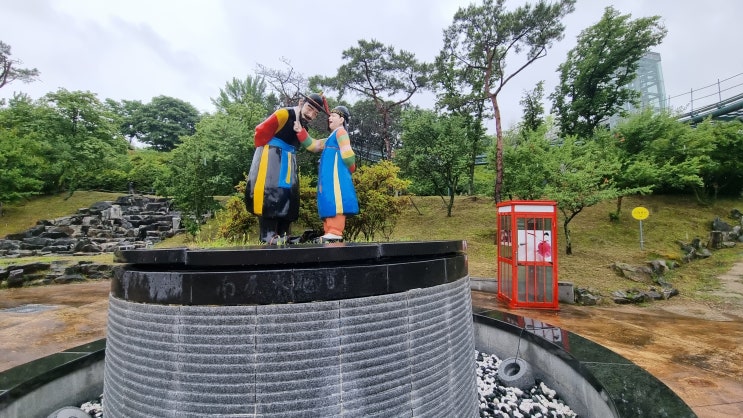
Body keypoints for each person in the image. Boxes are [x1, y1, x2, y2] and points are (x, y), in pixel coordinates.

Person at [245, 93, 330, 244]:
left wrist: (335, 139)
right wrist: (267, 150)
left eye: (315, 113)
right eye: (309, 109)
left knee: (289, 195)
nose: (311, 115)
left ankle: (284, 233)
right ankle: (268, 234)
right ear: (301, 102)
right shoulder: (284, 114)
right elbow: (260, 131)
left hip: (289, 160)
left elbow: (312, 145)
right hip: (271, 157)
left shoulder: (303, 127)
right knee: (269, 193)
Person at [316, 105, 358, 242]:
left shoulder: (341, 132)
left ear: (341, 119)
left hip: (336, 174)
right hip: (327, 175)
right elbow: (313, 145)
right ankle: (329, 231)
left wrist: (351, 167)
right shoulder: (330, 138)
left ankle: (335, 231)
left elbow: (348, 154)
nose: (330, 118)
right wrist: (300, 131)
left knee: (335, 198)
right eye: (330, 115)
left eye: (333, 116)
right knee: (327, 198)